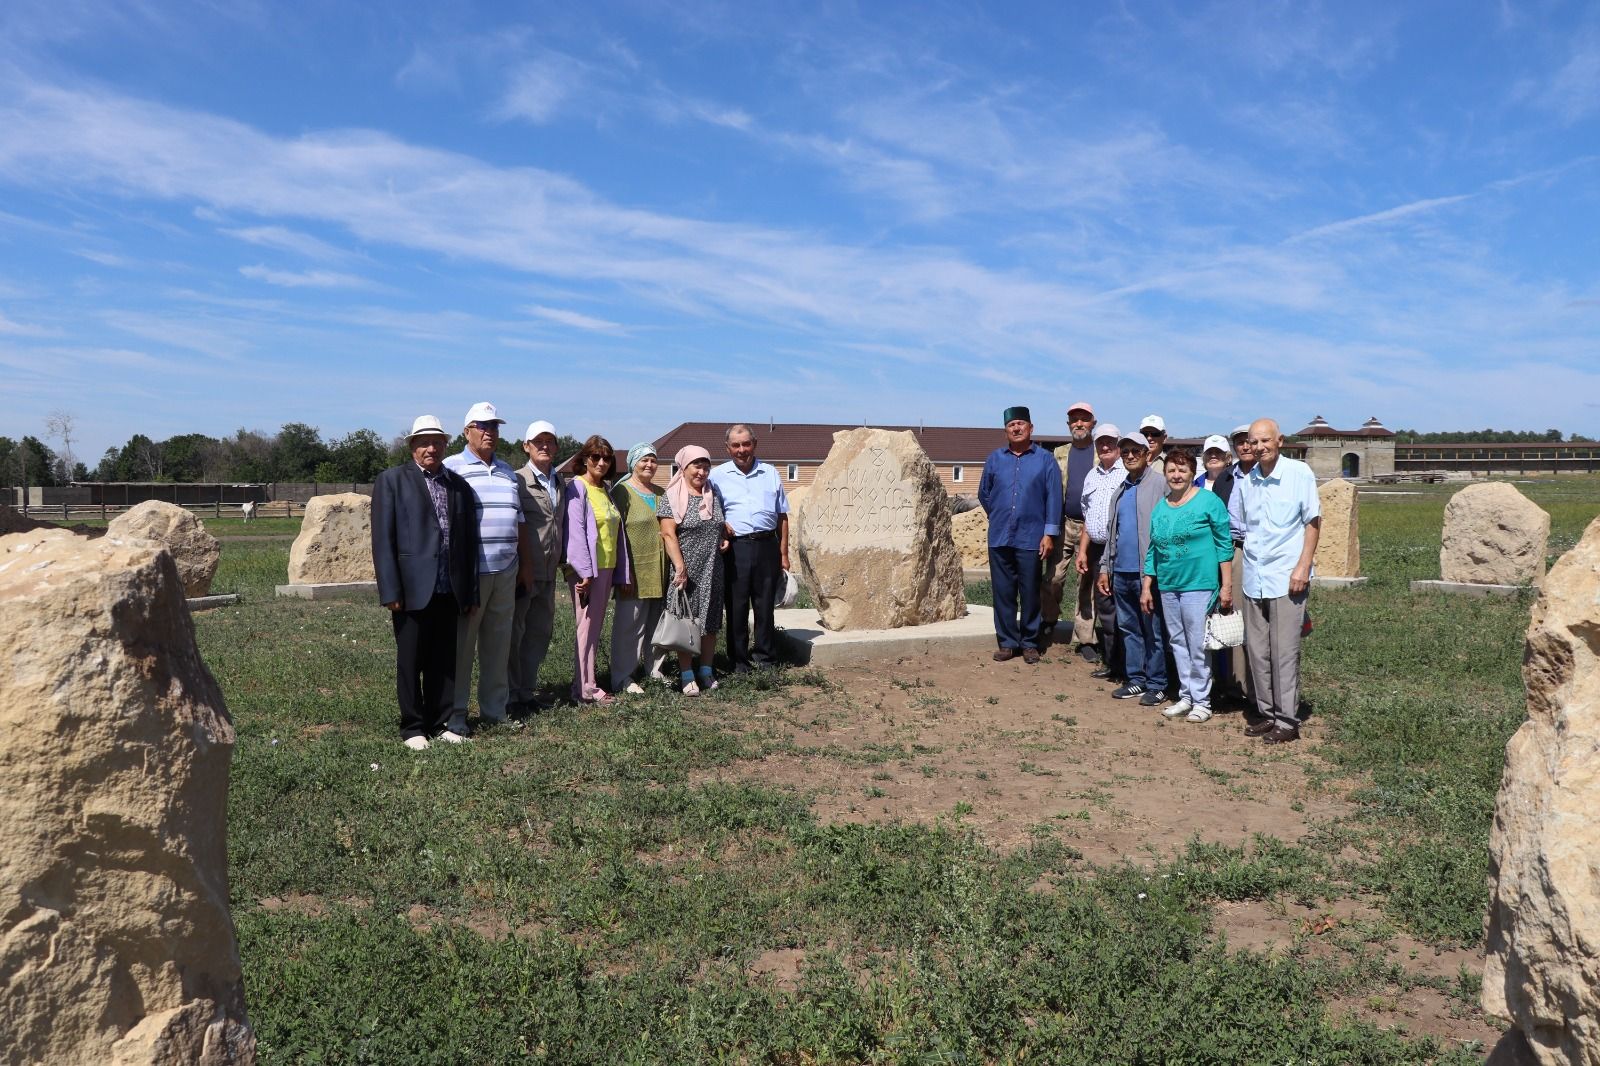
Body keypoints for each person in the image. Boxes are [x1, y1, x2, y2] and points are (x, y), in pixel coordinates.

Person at [371, 415, 481, 749]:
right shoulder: (392, 481)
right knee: (411, 660)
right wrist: (391, 589)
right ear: (412, 446)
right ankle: (413, 727)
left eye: (437, 442)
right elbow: (383, 540)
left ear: (446, 445)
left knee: (443, 660)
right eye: (423, 442)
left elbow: (468, 545)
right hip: (410, 590)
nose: (431, 448)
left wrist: (470, 590)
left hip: (449, 588)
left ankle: (441, 722)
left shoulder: (458, 485)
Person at [444, 402, 532, 732]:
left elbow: (519, 519)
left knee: (498, 644)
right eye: (482, 426)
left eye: (494, 426)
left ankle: (495, 711)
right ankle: (455, 715)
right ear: (466, 431)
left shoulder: (509, 471)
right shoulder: (452, 468)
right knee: (463, 646)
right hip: (471, 573)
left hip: (506, 570)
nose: (489, 432)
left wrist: (524, 565)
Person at [1235, 418, 1321, 743]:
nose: (1258, 447)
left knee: (1284, 650)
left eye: (1264, 441)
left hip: (1288, 578)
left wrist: (1303, 567)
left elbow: (1312, 523)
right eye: (1253, 442)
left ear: (1280, 441)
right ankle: (1267, 713)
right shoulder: (1248, 481)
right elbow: (1250, 529)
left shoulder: (1300, 474)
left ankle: (1287, 720)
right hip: (1255, 576)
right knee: (1257, 651)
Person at [1141, 448, 1233, 723]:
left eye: (1182, 470)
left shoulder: (1208, 501)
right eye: (1171, 470)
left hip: (1199, 584)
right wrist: (1147, 586)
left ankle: (1203, 701)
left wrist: (1226, 585)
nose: (1176, 475)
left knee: (1197, 644)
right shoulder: (1161, 507)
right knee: (1178, 642)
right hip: (1169, 585)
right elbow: (1153, 550)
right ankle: (1186, 696)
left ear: (1192, 473)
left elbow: (1223, 543)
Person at [978, 406, 1062, 664]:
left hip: (1031, 537)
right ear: (1006, 430)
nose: (1016, 428)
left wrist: (1049, 534)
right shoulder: (995, 459)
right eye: (1011, 425)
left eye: (1021, 424)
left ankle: (1029, 643)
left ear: (1031, 428)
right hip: (1000, 536)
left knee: (1029, 592)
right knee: (1002, 591)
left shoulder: (1045, 460)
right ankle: (1007, 642)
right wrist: (999, 514)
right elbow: (984, 493)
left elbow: (1054, 498)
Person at [710, 424, 789, 672]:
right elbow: (710, 510)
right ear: (727, 448)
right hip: (736, 548)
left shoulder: (770, 472)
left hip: (767, 545)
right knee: (737, 605)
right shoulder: (717, 475)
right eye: (736, 445)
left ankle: (766, 659)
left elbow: (782, 515)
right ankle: (739, 662)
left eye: (746, 444)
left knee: (765, 604)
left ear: (754, 444)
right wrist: (721, 524)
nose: (741, 450)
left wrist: (783, 553)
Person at [1097, 429, 1168, 706]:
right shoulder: (1120, 490)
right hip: (1121, 573)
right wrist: (1105, 567)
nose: (1129, 456)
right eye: (1124, 452)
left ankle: (1158, 683)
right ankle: (1136, 680)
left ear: (1147, 453)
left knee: (1153, 630)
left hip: (1148, 574)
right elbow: (1111, 532)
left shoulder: (1161, 485)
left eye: (1135, 451)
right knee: (1129, 628)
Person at [563, 435, 633, 704]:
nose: (602, 462)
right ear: (584, 459)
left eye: (607, 458)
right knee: (586, 629)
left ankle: (588, 683)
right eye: (596, 457)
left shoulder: (605, 488)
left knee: (593, 630)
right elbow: (576, 533)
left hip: (606, 568)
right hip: (587, 572)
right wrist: (584, 573)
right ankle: (584, 690)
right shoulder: (577, 488)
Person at [658, 445, 729, 695]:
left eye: (706, 466)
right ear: (683, 467)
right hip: (686, 569)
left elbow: (717, 523)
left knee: (710, 622)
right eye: (696, 466)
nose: (702, 471)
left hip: (713, 567)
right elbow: (668, 534)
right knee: (686, 622)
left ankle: (706, 671)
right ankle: (687, 675)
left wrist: (723, 536)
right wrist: (680, 567)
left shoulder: (712, 493)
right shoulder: (671, 496)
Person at [509, 420, 565, 716]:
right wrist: (522, 568)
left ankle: (527, 691)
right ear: (526, 446)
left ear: (556, 447)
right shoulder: (516, 480)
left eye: (549, 441)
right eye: (538, 441)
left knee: (539, 633)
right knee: (515, 633)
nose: (544, 446)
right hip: (523, 572)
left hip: (548, 572)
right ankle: (510, 694)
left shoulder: (559, 482)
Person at [609, 443, 669, 695]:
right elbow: (616, 534)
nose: (649, 465)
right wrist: (623, 571)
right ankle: (623, 675)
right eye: (644, 460)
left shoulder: (660, 492)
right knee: (629, 625)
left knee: (657, 623)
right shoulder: (621, 492)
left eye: (653, 460)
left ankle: (654, 669)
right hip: (633, 571)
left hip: (660, 570)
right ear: (633, 462)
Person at [1043, 400, 1099, 660]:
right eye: (1074, 420)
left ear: (1093, 424)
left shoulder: (1103, 452)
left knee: (1085, 583)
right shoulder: (1058, 454)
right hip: (1063, 523)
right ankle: (1048, 620)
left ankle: (1085, 637)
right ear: (1068, 425)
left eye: (1084, 419)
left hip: (1091, 527)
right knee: (1053, 577)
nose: (1079, 424)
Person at [1075, 423, 1126, 681]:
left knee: (1123, 607)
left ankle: (1129, 665)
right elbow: (1088, 517)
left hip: (1120, 550)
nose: (1105, 447)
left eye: (1110, 442)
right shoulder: (1092, 475)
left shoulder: (1127, 472)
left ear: (1119, 444)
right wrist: (1082, 551)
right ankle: (1112, 662)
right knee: (1104, 606)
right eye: (1100, 443)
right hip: (1096, 549)